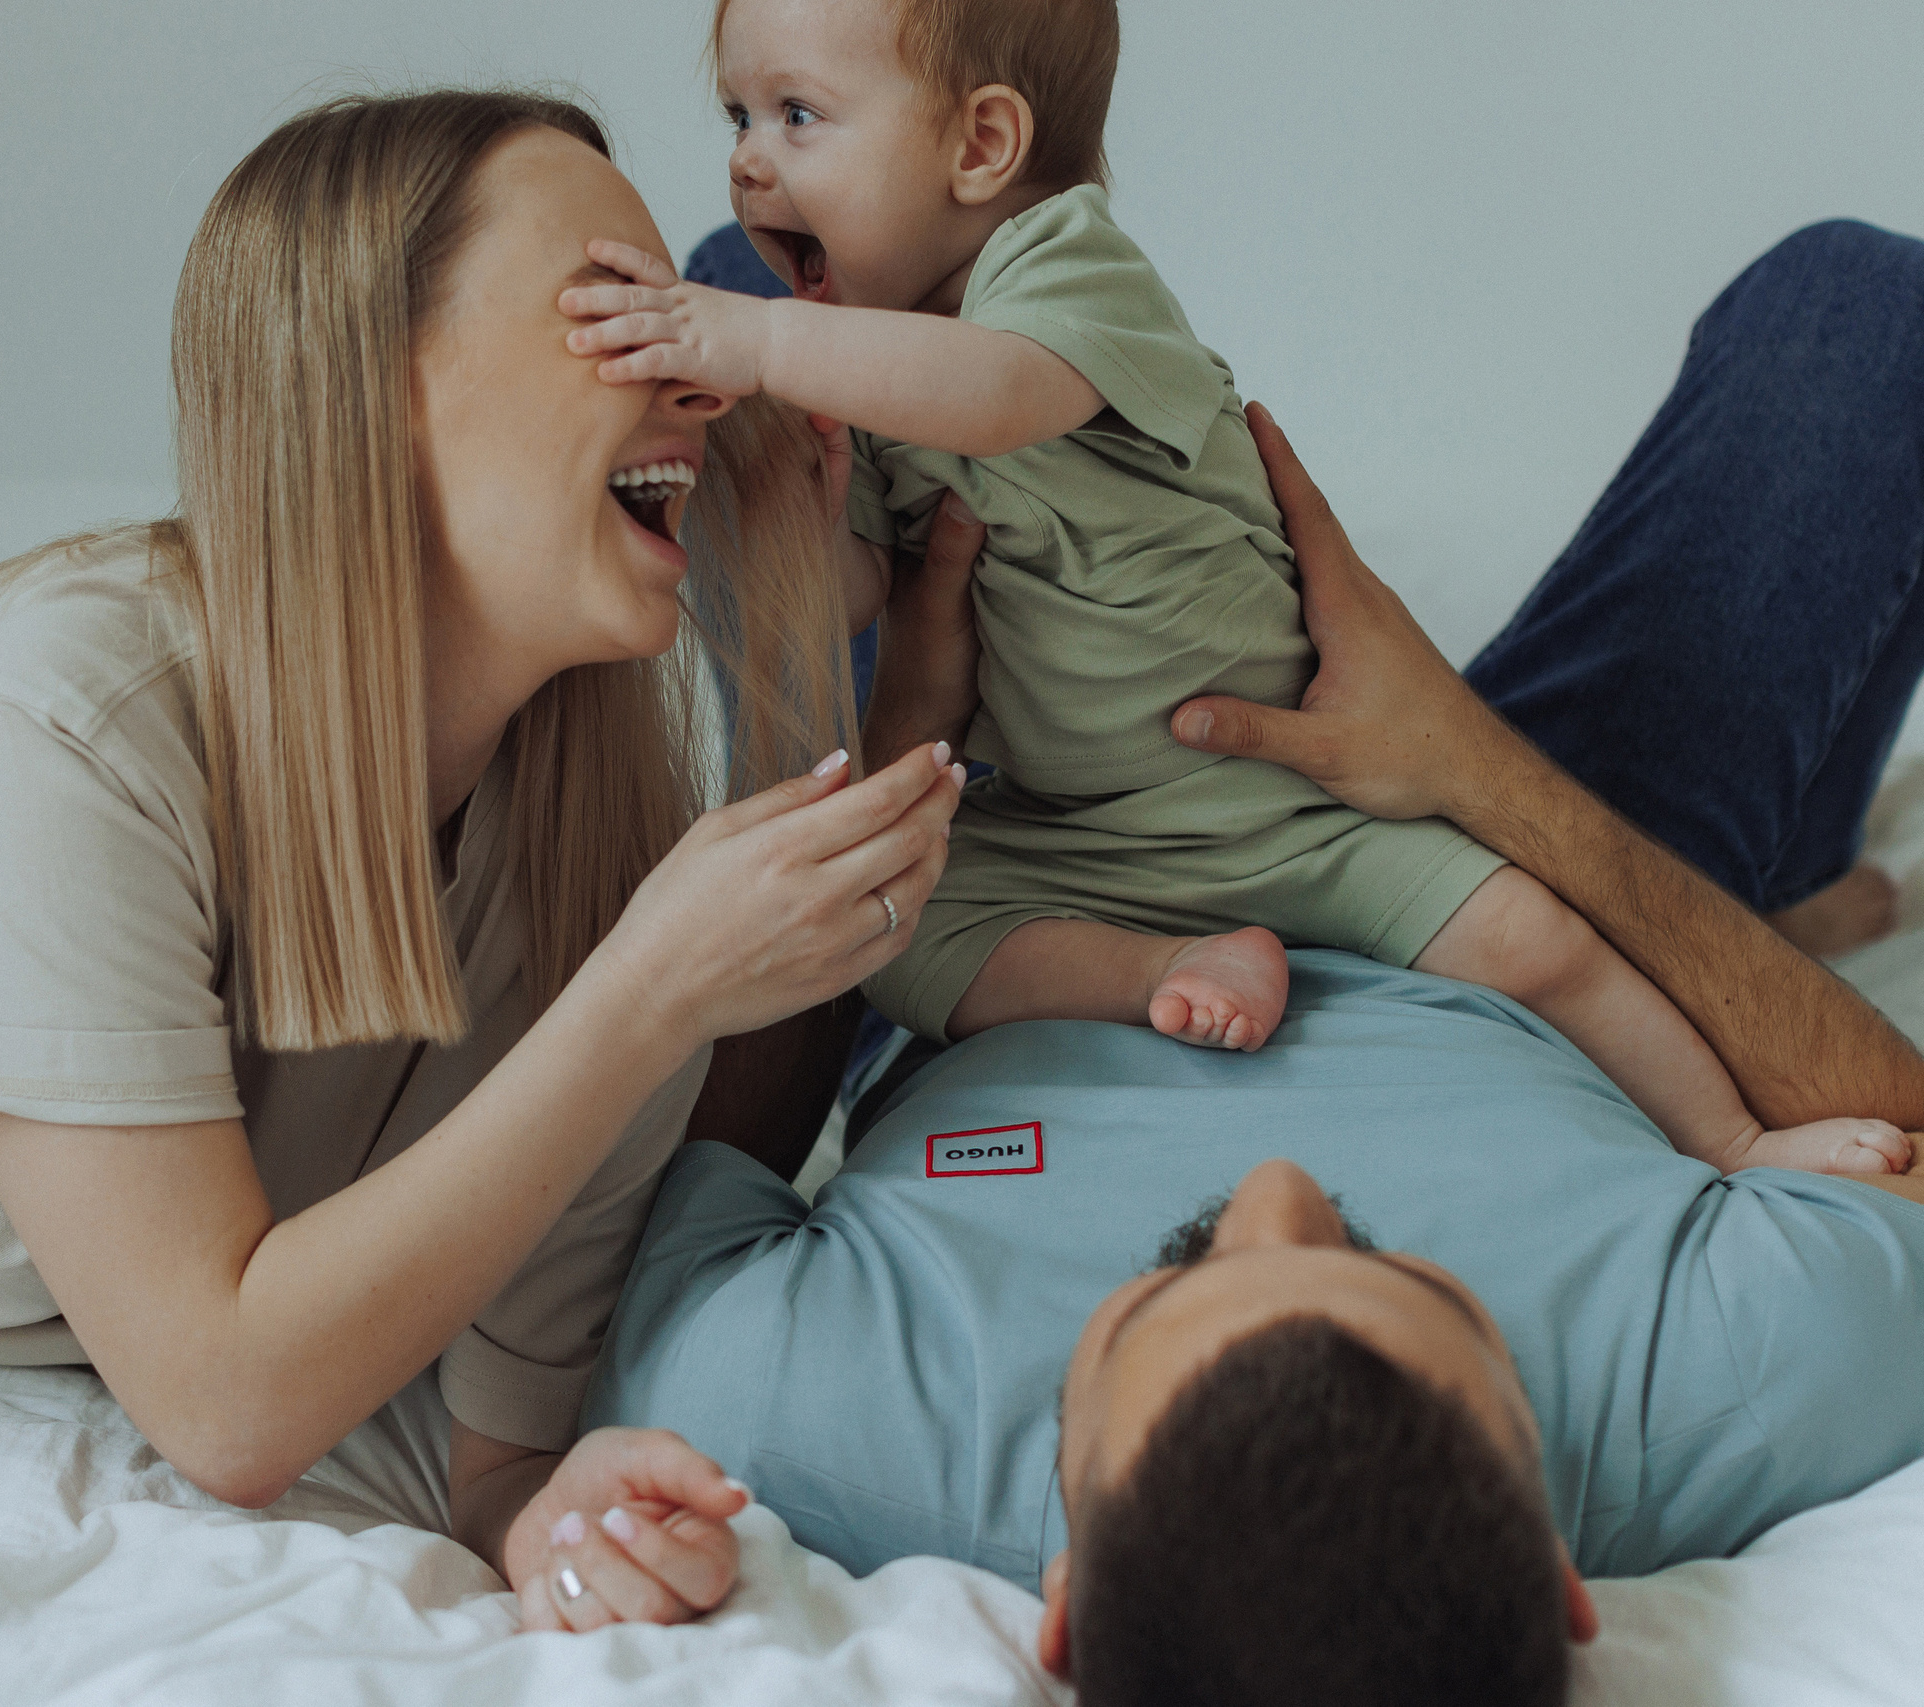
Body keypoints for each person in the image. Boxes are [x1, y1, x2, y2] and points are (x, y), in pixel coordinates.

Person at [0, 88, 976, 1634]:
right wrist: (646, 994)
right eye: (610, 310)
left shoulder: (590, 848)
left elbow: (498, 1444)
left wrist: (547, 1524)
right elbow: (224, 1400)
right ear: (376, 380)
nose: (702, 375)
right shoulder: (51, 718)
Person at [583, 219, 1924, 1705]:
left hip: (1013, 881)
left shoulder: (798, 1410)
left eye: (1168, 1287)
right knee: (1867, 312)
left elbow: (711, 1182)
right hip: (1486, 892)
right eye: (1399, 1272)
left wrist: (887, 758)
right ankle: (1781, 877)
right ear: (1559, 1566)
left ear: (1064, 1610)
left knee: (766, 285)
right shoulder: (1736, 1384)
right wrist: (1461, 755)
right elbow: (1900, 1127)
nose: (1279, 1190)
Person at [556, 0, 1910, 1178]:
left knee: (1539, 940)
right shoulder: (860, 363)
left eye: (795, 115)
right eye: (737, 114)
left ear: (983, 148)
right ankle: (1166, 972)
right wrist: (780, 523)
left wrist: (759, 341)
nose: (745, 157)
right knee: (900, 933)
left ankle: (1732, 1138)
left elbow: (1000, 394)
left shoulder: (1057, 263)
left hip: (1297, 794)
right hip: (1079, 836)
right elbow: (845, 596)